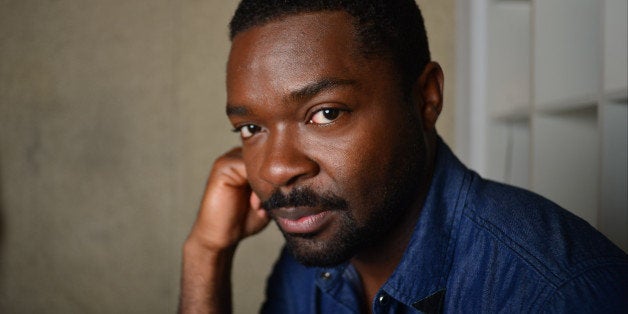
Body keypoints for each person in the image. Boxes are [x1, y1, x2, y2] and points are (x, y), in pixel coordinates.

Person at [178, 0, 628, 313]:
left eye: (326, 113)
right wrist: (206, 255)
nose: (276, 169)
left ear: (426, 98)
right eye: (251, 128)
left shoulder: (560, 293)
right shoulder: (314, 255)